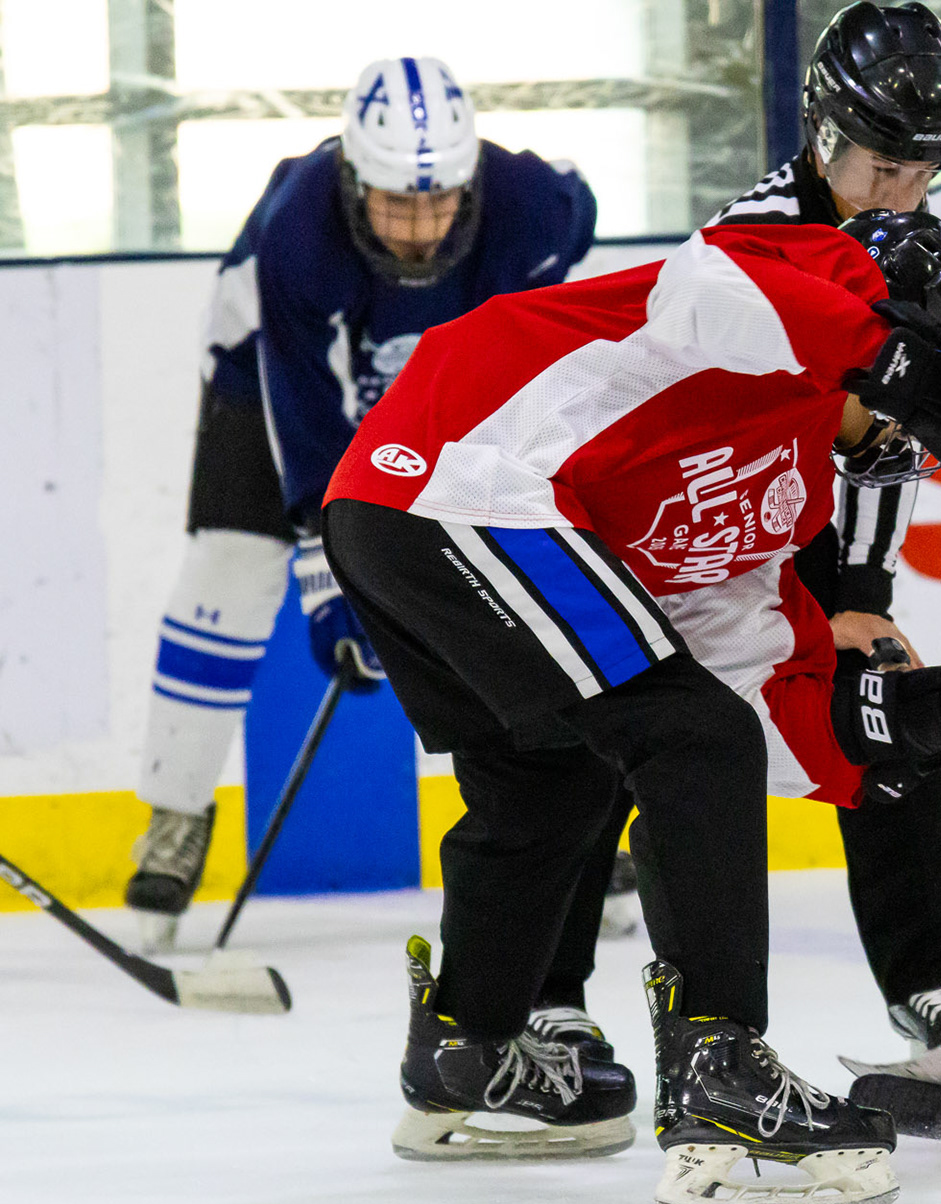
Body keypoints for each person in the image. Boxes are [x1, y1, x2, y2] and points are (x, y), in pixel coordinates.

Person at [319, 213, 941, 1204]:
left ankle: (465, 1047)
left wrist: (903, 722)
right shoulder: (792, 286)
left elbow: (749, 684)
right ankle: (718, 1070)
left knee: (555, 775)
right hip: (459, 473)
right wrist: (888, 346)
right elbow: (716, 283)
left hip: (424, 520)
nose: (911, 441)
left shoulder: (789, 489)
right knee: (689, 735)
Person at [601, 0, 941, 1075]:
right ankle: (556, 991)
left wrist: (860, 587)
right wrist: (819, 590)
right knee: (641, 731)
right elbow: (722, 433)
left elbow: (892, 436)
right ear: (825, 136)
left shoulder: (926, 235)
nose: (905, 193)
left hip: (801, 506)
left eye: (927, 169)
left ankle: (931, 977)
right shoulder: (752, 241)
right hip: (697, 512)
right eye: (885, 168)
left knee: (888, 692)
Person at [124, 56, 596, 952]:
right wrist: (330, 568)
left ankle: (569, 819)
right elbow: (307, 420)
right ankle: (174, 813)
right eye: (393, 205)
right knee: (231, 562)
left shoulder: (535, 208)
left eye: (437, 203)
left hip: (433, 383)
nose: (417, 232)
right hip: (264, 373)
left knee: (515, 576)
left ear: (471, 183)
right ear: (350, 182)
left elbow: (546, 328)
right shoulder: (297, 234)